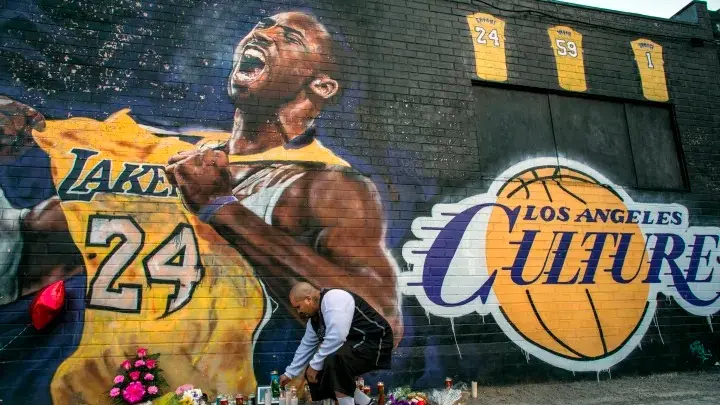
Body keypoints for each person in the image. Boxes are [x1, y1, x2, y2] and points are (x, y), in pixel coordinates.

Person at [0, 11, 403, 404]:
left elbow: (377, 326)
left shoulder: (324, 184)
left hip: (214, 394)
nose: (263, 34)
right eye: (263, 25)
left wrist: (221, 208)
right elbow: (19, 253)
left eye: (290, 37)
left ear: (322, 86)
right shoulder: (165, 156)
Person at [277, 282, 391, 405]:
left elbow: (337, 336)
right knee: (323, 371)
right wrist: (289, 373)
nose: (298, 311)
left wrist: (315, 366)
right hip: (356, 343)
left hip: (375, 340)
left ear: (308, 299)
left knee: (333, 363)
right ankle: (367, 403)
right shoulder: (314, 321)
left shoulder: (333, 299)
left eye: (298, 307)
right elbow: (306, 347)